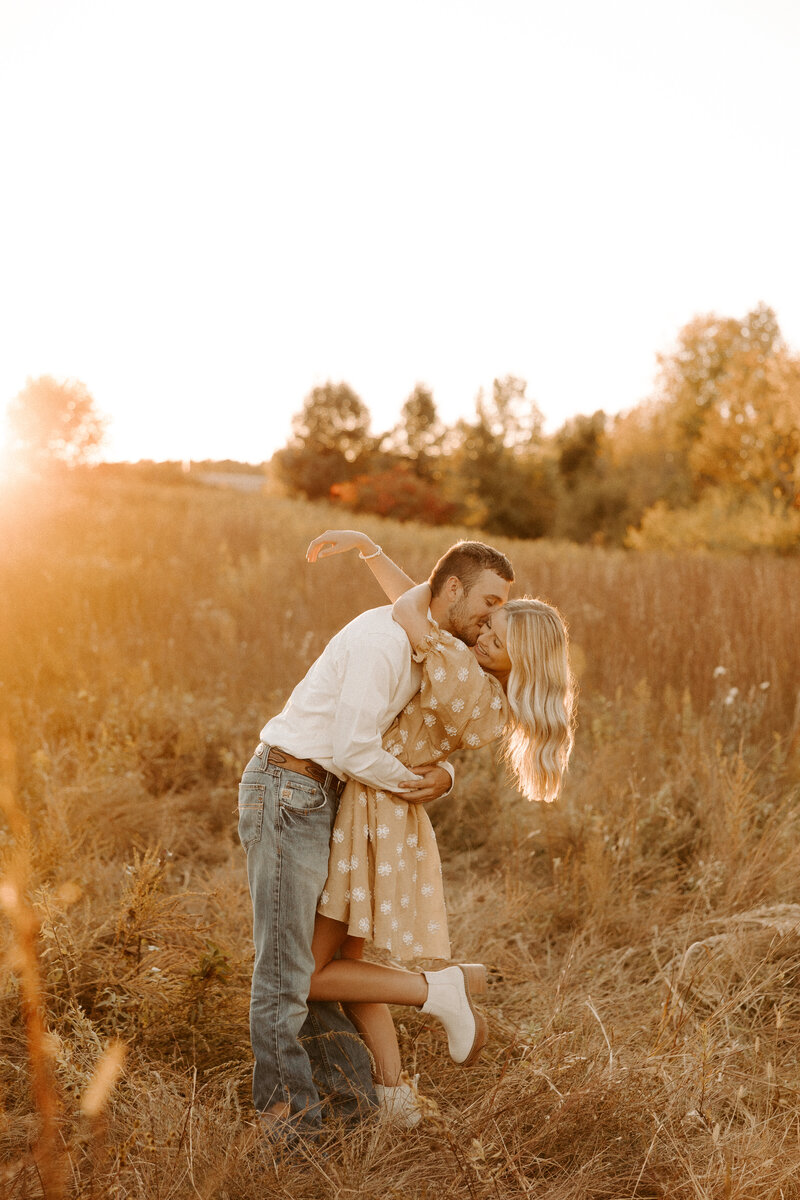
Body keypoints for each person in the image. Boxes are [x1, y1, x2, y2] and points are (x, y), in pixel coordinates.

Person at [238, 532, 514, 1139]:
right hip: (292, 787)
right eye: (490, 602)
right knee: (290, 971)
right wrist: (422, 782)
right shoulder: (383, 642)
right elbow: (352, 747)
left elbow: (419, 608)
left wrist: (438, 777)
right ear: (453, 591)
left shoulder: (432, 641)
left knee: (313, 968)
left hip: (332, 797)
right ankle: (294, 1121)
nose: (497, 617)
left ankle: (353, 1103)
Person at [303, 534, 576, 1128]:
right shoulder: (489, 692)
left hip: (373, 807)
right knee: (356, 973)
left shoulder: (460, 671)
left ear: (517, 663)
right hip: (390, 813)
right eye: (487, 625)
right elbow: (430, 608)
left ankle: (439, 989)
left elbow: (412, 607)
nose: (480, 635)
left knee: (308, 975)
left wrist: (375, 556)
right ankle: (395, 1102)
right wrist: (371, 551)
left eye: (496, 638)